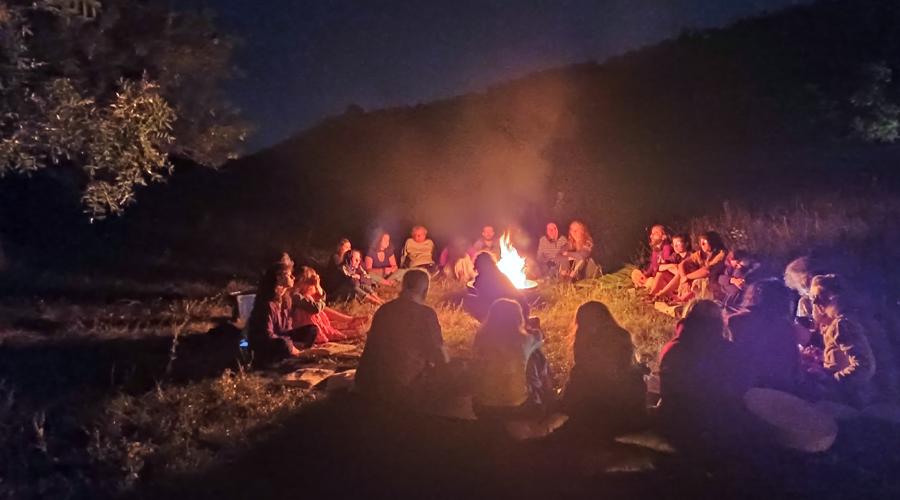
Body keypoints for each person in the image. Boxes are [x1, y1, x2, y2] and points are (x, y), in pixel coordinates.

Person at [657, 300, 748, 451]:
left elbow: (667, 391)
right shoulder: (731, 351)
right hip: (721, 428)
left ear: (687, 319)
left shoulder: (673, 349)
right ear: (719, 323)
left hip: (678, 426)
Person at [355, 269, 448, 405]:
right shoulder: (426, 314)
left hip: (373, 382)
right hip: (405, 385)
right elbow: (439, 353)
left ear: (403, 286)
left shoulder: (384, 310)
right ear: (425, 290)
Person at [562, 301, 647, 436]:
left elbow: (570, 400)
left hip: (593, 423)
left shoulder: (583, 369)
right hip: (627, 420)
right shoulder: (622, 339)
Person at [472, 298, 554, 419]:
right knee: (536, 355)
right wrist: (530, 327)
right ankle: (549, 395)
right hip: (517, 406)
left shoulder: (481, 338)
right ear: (518, 318)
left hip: (483, 406)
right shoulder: (525, 341)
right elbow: (539, 337)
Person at [806, 274, 879, 407]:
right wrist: (823, 358)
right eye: (813, 298)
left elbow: (864, 366)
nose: (816, 303)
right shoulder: (838, 323)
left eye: (819, 296)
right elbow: (844, 357)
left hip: (850, 399)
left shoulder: (842, 325)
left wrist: (831, 379)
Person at [726, 279, 801, 393]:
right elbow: (793, 368)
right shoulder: (785, 327)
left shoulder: (735, 321)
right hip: (777, 389)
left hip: (741, 386)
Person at [246, 262, 318, 362]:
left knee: (312, 330)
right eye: (288, 275)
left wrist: (291, 342)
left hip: (281, 337)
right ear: (278, 278)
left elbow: (287, 328)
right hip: (265, 344)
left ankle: (293, 353)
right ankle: (294, 354)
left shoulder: (286, 299)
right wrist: (289, 343)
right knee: (283, 343)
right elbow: (267, 335)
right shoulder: (267, 303)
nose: (293, 277)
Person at [291, 266, 368, 344]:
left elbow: (320, 304)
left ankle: (350, 321)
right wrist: (318, 288)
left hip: (310, 324)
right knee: (329, 327)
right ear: (306, 284)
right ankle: (353, 328)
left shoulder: (303, 296)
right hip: (306, 329)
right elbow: (316, 308)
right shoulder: (297, 296)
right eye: (313, 284)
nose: (315, 287)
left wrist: (318, 288)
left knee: (322, 311)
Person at [653, 231, 727, 303]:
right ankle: (661, 294)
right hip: (694, 279)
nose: (702, 245)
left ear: (712, 242)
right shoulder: (700, 253)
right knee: (678, 274)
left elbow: (707, 271)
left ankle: (679, 298)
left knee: (698, 281)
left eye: (704, 243)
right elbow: (682, 264)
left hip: (716, 282)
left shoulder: (721, 254)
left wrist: (687, 277)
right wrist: (684, 278)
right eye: (701, 243)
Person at [465, 251, 529, 322]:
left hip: (504, 313)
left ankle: (488, 324)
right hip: (521, 311)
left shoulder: (480, 279)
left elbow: (483, 297)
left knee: (468, 299)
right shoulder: (500, 274)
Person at [648, 232, 691, 298]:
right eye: (674, 244)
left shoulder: (691, 256)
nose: (675, 246)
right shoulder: (675, 256)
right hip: (676, 282)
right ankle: (651, 294)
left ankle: (661, 294)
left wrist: (677, 270)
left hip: (687, 282)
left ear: (686, 244)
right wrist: (671, 266)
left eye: (678, 243)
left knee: (679, 273)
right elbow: (659, 267)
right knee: (661, 274)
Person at [631, 224, 673, 289]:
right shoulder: (655, 250)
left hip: (662, 278)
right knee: (635, 272)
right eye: (651, 234)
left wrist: (654, 275)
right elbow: (652, 266)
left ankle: (644, 285)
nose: (651, 236)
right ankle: (644, 284)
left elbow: (666, 265)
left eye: (655, 233)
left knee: (650, 281)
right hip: (654, 277)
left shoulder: (667, 247)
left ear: (663, 237)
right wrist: (646, 274)